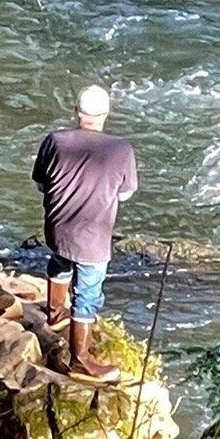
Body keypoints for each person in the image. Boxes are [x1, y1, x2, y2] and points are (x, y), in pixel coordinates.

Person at [31, 84, 137, 384]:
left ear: (77, 111)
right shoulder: (121, 149)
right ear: (106, 114)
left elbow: (40, 183)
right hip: (93, 237)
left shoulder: (54, 141)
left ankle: (54, 313)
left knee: (60, 261)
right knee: (88, 293)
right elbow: (126, 194)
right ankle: (80, 361)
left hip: (57, 228)